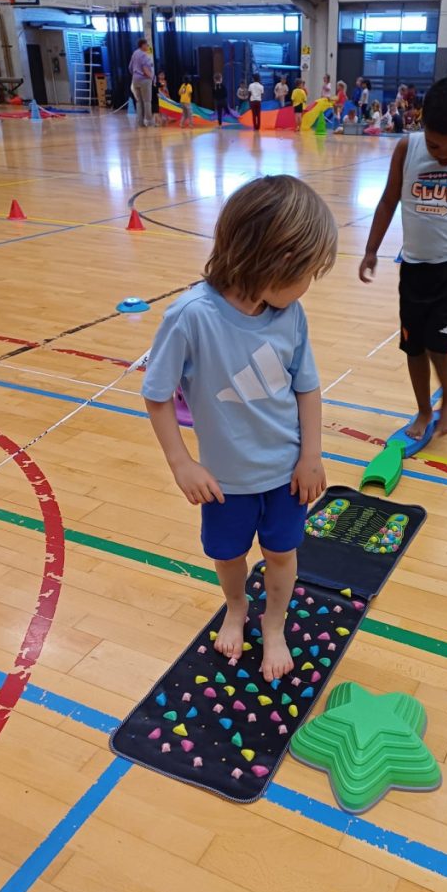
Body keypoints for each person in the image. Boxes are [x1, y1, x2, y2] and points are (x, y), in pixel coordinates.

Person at [142, 175, 337, 682]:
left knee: (281, 553)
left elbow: (307, 388)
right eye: (307, 272)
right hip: (225, 483)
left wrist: (311, 455)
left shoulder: (290, 315)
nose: (308, 285)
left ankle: (274, 623)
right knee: (229, 556)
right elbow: (157, 394)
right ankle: (235, 607)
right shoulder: (191, 317)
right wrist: (181, 463)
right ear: (275, 261)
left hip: (286, 475)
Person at [358, 77, 447, 440]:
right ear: (421, 124)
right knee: (414, 345)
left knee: (439, 343)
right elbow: (388, 200)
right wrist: (371, 250)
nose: (444, 154)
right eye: (435, 145)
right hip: (414, 268)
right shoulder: (408, 149)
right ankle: (423, 409)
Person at [128, 38, 154, 128]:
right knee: (147, 101)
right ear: (142, 45)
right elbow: (145, 69)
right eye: (146, 45)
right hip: (144, 80)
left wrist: (135, 74)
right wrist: (152, 77)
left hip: (135, 80)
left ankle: (140, 122)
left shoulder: (135, 53)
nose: (148, 46)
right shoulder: (144, 55)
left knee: (139, 102)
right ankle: (149, 121)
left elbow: (130, 67)